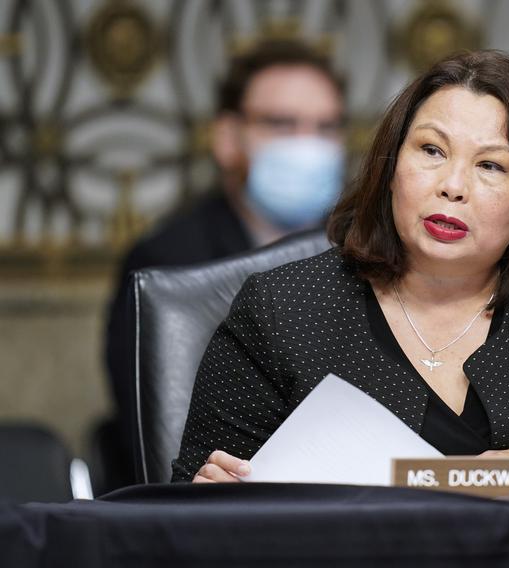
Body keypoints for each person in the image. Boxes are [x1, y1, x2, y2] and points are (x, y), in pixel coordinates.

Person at [175, 50, 509, 484]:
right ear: (391, 168)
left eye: (490, 165)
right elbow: (186, 501)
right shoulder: (285, 308)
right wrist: (213, 493)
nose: (452, 186)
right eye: (431, 151)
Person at [101, 39, 346, 490]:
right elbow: (153, 432)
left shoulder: (365, 253)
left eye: (326, 127)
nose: (307, 145)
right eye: (282, 124)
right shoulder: (170, 263)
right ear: (228, 137)